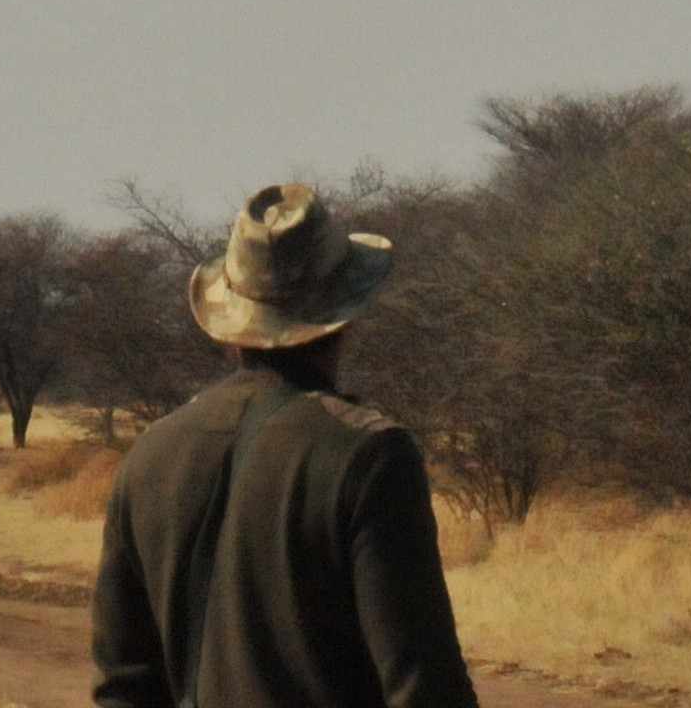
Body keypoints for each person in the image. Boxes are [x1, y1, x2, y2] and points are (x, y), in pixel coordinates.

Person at [91, 182, 482, 708]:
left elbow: (124, 688)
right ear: (345, 315)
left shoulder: (149, 457)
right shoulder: (369, 456)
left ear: (231, 321)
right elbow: (424, 687)